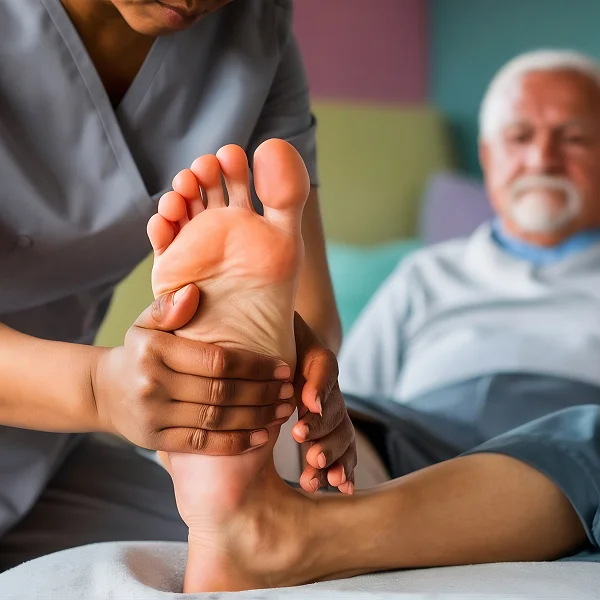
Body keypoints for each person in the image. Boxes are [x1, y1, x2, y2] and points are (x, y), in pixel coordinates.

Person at [137, 49, 600, 592]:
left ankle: (285, 529)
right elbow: (343, 399)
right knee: (313, 419)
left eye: (573, 138)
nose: (542, 158)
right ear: (488, 154)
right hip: (416, 441)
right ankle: (232, 401)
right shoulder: (426, 275)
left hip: (569, 448)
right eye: (520, 137)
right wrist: (312, 414)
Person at [0, 0, 357, 572]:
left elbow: (308, 303)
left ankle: (237, 508)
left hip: (47, 453)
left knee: (268, 548)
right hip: (67, 403)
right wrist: (99, 389)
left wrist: (288, 368)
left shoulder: (255, 28)